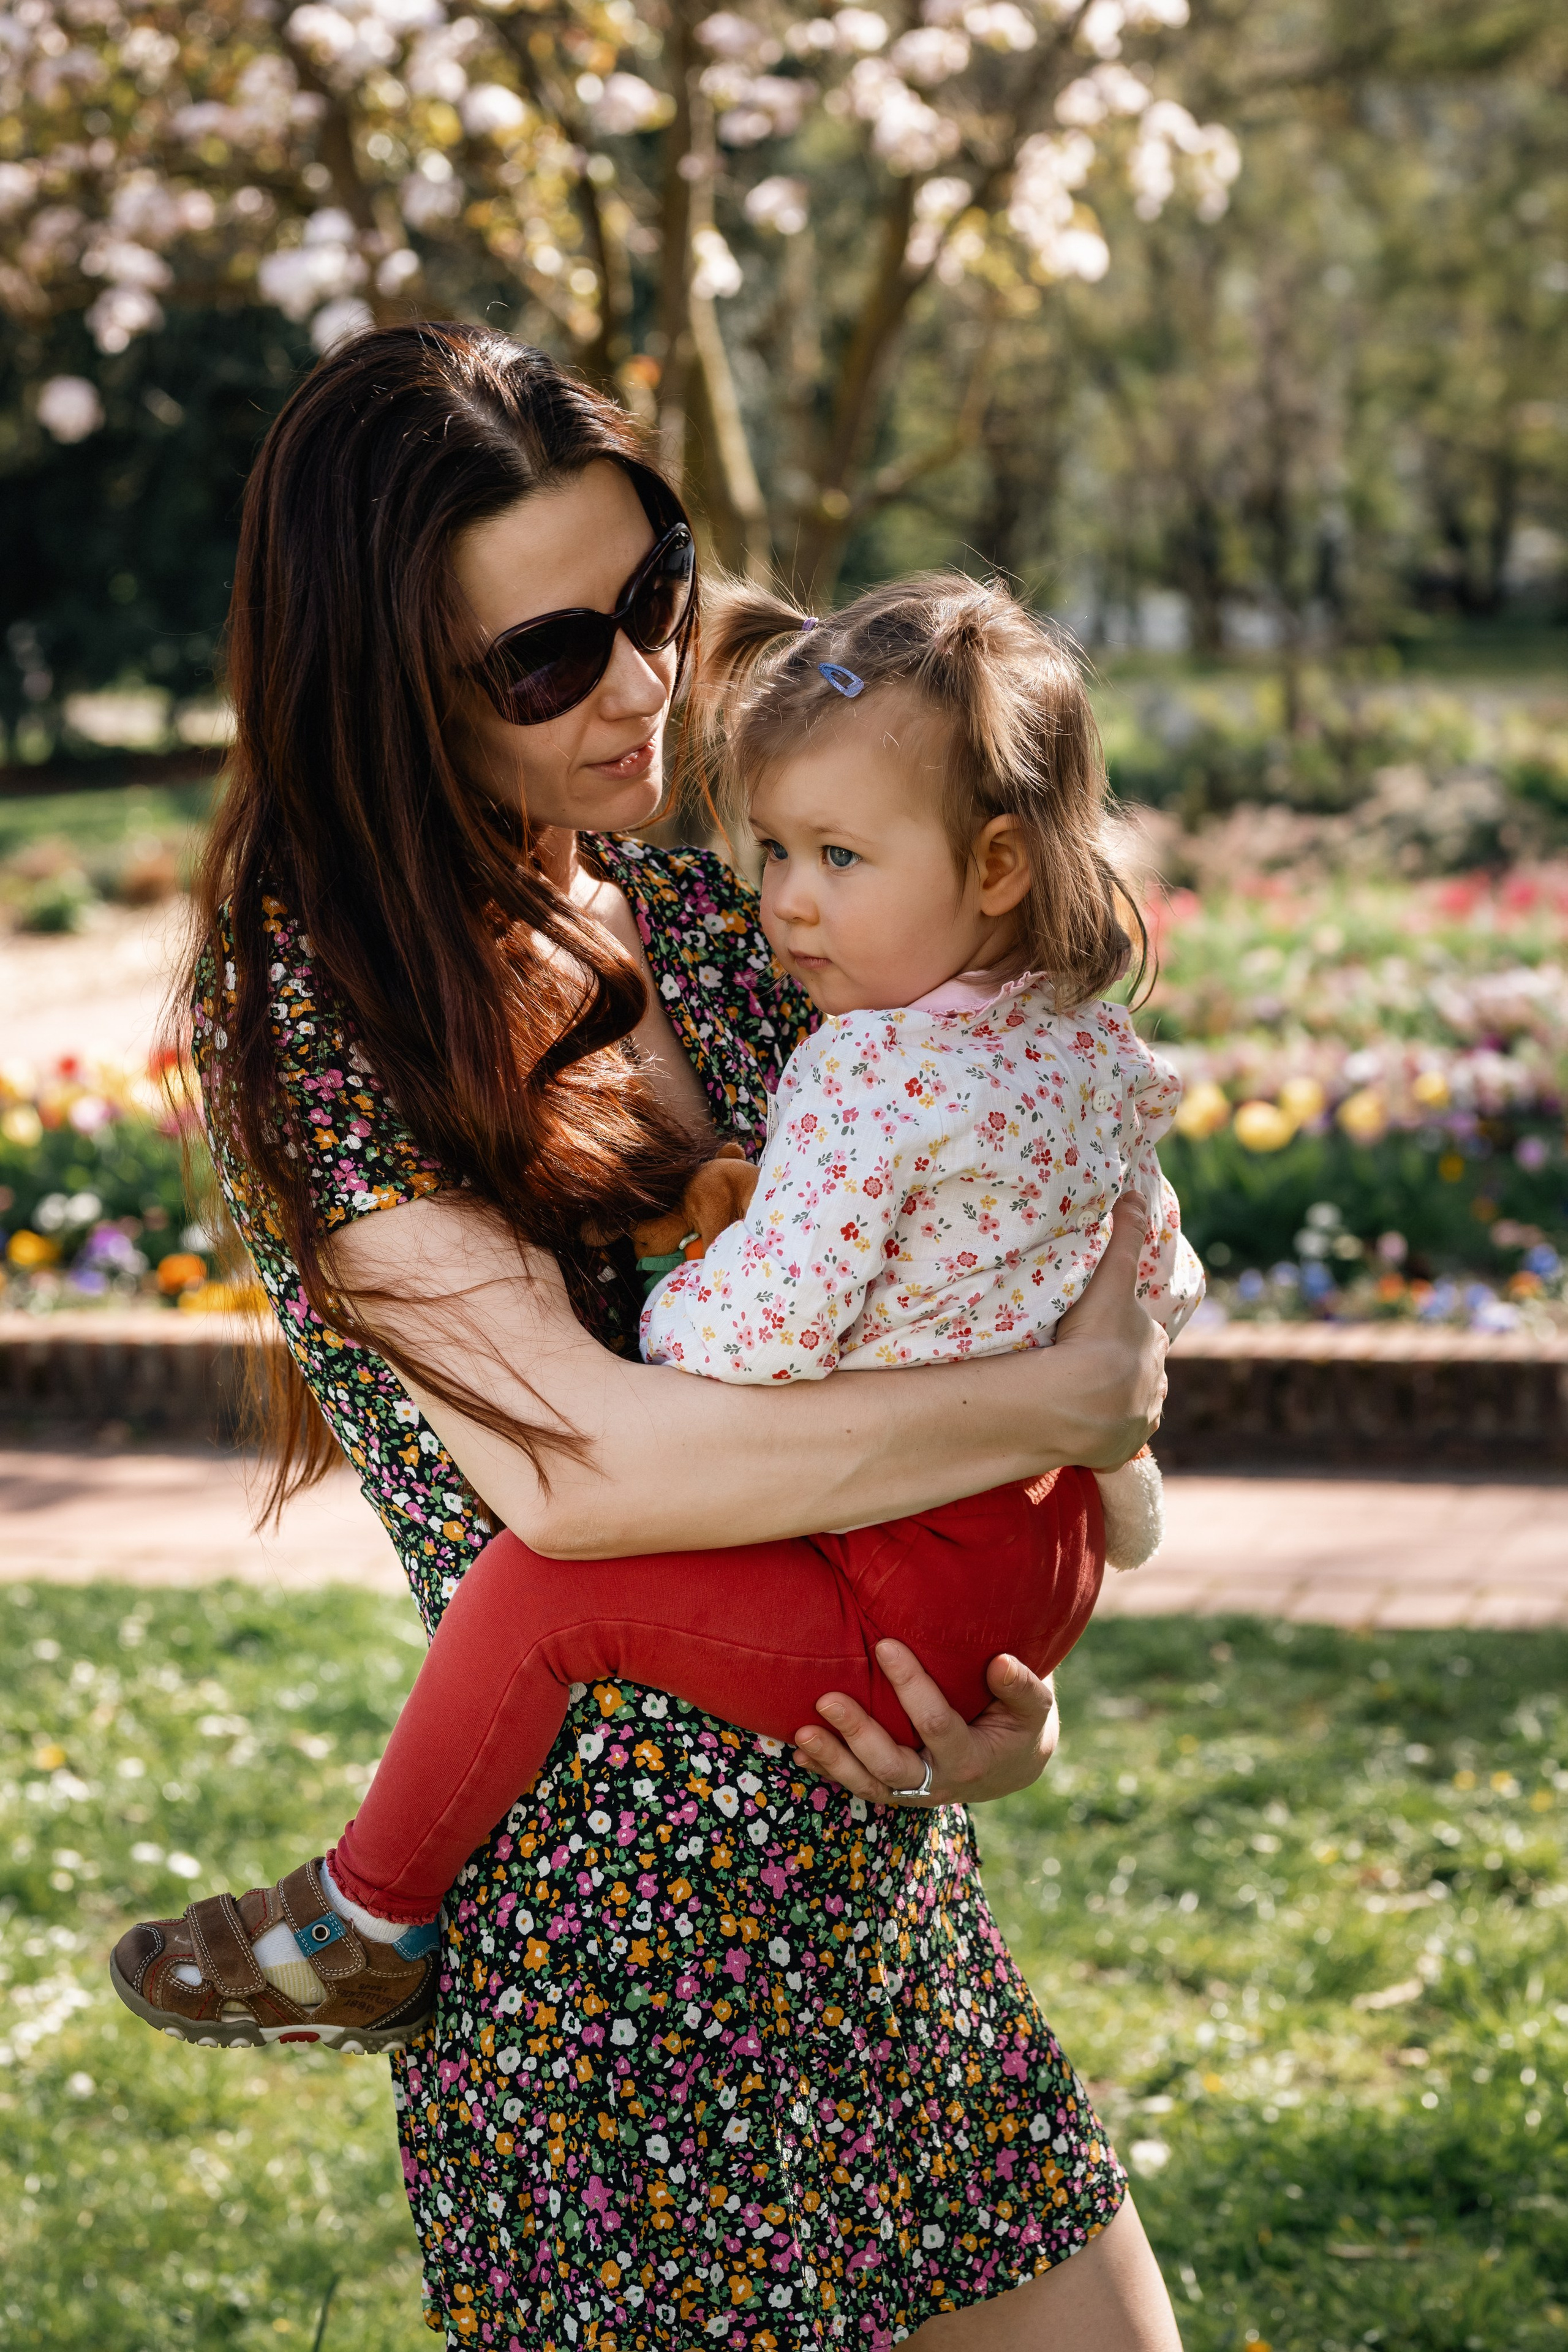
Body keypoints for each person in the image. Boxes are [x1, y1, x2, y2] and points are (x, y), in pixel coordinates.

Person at [110, 322, 1181, 2350]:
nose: (640, 681)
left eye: (656, 595)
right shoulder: (318, 1013)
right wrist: (1064, 1403)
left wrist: (1017, 1686)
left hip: (875, 1903)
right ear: (382, 685)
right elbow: (587, 1477)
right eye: (545, 657)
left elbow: (994, 1240)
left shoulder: (721, 908)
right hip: (610, 2000)